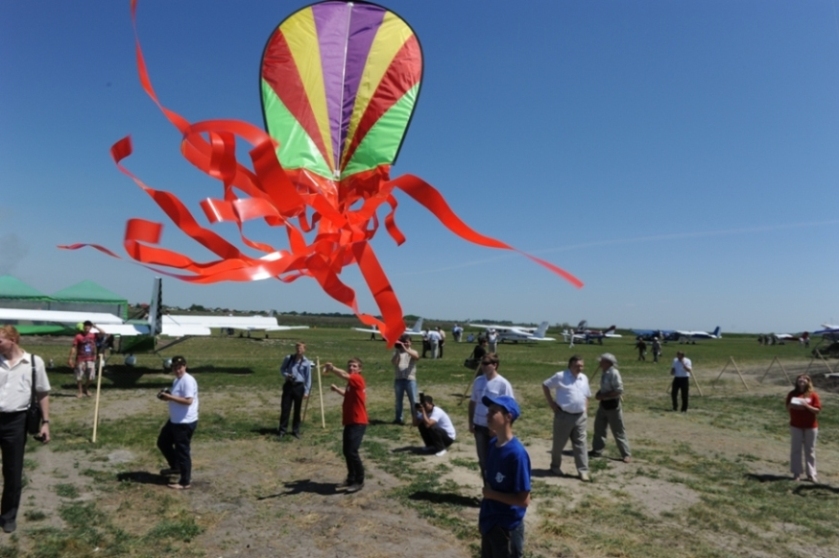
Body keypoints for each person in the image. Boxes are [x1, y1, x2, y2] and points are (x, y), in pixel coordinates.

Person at [0, 326, 51, 533]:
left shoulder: (33, 363)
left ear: (12, 340)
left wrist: (45, 422)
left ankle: (8, 516)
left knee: (13, 470)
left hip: (16, 421)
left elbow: (42, 393)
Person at [479, 395, 531, 558]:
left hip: (507, 526)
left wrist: (491, 495)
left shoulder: (517, 454)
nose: (488, 415)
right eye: (488, 411)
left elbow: (523, 500)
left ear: (508, 417)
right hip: (490, 520)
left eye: (493, 411)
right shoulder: (492, 445)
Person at [542, 355, 592, 481]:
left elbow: (587, 395)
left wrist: (585, 410)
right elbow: (545, 385)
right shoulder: (560, 376)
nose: (579, 368)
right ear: (570, 365)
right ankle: (555, 466)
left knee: (581, 444)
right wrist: (551, 403)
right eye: (577, 366)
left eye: (581, 366)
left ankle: (583, 471)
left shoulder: (584, 378)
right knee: (559, 444)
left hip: (580, 417)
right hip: (564, 416)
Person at [323, 358, 368, 493]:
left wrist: (332, 368)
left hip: (358, 421)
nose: (351, 368)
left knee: (352, 451)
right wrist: (337, 389)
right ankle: (351, 478)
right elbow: (348, 394)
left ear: (359, 369)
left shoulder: (357, 379)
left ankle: (359, 480)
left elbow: (343, 374)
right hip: (350, 421)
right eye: (349, 366)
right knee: (346, 451)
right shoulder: (351, 383)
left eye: (354, 366)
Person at [469, 353, 514, 482]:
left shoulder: (503, 384)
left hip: (495, 430)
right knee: (483, 460)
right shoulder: (478, 381)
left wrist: (500, 429)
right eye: (481, 364)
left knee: (496, 459)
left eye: (485, 364)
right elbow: (472, 402)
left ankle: (498, 487)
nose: (482, 366)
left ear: (495, 365)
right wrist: (470, 422)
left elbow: (510, 409)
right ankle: (487, 487)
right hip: (479, 427)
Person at [156, 355, 198, 490]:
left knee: (182, 451)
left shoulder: (187, 380)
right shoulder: (177, 380)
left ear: (185, 366)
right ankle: (176, 467)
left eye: (180, 367)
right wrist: (167, 396)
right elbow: (177, 397)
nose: (177, 370)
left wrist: (170, 397)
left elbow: (188, 401)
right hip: (175, 420)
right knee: (163, 442)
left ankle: (185, 482)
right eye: (175, 368)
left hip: (184, 422)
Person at [589, 353, 631, 463]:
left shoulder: (614, 373)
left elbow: (618, 390)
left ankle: (626, 454)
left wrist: (603, 395)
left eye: (601, 361)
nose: (599, 363)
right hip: (603, 404)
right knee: (599, 428)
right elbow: (605, 388)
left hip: (613, 405)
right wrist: (599, 394)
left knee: (618, 430)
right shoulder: (604, 372)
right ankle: (597, 450)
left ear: (608, 362)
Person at [786, 374, 821, 482]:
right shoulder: (792, 394)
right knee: (796, 449)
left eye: (804, 378)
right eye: (799, 378)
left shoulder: (813, 395)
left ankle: (811, 474)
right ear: (797, 381)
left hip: (810, 426)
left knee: (810, 450)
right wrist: (792, 406)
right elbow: (787, 407)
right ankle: (796, 473)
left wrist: (806, 406)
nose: (801, 380)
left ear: (808, 381)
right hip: (796, 425)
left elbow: (817, 410)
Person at [278, 343, 313, 439]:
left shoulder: (306, 362)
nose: (299, 350)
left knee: (297, 410)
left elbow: (308, 378)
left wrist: (307, 391)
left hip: (299, 387)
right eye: (297, 348)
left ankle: (296, 430)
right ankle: (282, 430)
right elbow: (282, 369)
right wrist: (286, 375)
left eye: (301, 348)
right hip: (289, 385)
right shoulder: (289, 358)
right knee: (285, 408)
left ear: (304, 350)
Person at [68, 320, 102, 398]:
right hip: (80, 359)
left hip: (90, 358)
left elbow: (103, 333)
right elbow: (74, 347)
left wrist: (95, 326)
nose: (87, 328)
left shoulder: (93, 335)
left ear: (90, 327)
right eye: (85, 326)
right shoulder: (78, 336)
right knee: (79, 376)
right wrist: (70, 358)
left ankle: (85, 388)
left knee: (91, 377)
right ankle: (80, 391)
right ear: (83, 327)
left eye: (88, 326)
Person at [391, 334, 419, 425]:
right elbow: (394, 362)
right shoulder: (397, 352)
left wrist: (406, 350)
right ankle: (398, 419)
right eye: (404, 342)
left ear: (411, 343)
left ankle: (416, 419)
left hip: (410, 379)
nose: (405, 344)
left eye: (407, 342)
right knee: (398, 401)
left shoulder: (413, 352)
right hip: (399, 379)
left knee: (413, 401)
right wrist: (398, 351)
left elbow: (416, 357)